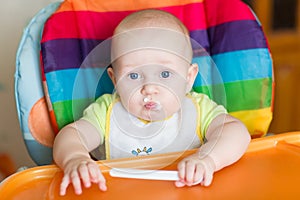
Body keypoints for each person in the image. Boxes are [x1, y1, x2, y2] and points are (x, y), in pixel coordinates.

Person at [53, 9, 251, 196]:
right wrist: (75, 159)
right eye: (134, 75)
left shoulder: (199, 109)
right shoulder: (106, 111)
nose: (149, 87)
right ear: (114, 80)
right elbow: (71, 135)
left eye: (165, 74)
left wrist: (208, 159)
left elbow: (237, 132)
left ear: (189, 78)